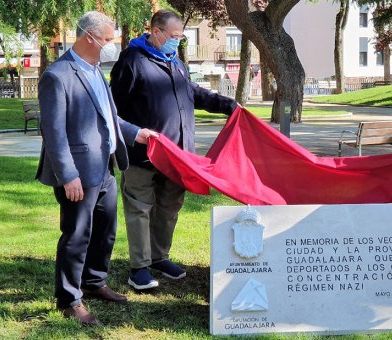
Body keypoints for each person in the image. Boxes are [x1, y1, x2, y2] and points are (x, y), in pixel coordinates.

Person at [36, 11, 157, 326]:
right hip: (77, 173)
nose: (111, 45)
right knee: (77, 235)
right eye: (107, 39)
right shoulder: (57, 75)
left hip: (105, 167)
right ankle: (69, 299)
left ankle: (94, 281)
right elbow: (53, 131)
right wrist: (68, 175)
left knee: (105, 230)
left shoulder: (95, 70)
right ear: (88, 37)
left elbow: (108, 118)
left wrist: (135, 133)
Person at [110, 9, 238, 290]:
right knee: (140, 208)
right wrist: (134, 134)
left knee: (169, 207)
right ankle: (139, 267)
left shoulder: (174, 61)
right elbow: (111, 110)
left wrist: (228, 105)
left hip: (177, 156)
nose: (178, 42)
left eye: (180, 37)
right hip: (143, 155)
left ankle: (159, 257)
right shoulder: (132, 61)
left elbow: (191, 92)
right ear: (156, 32)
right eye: (174, 36)